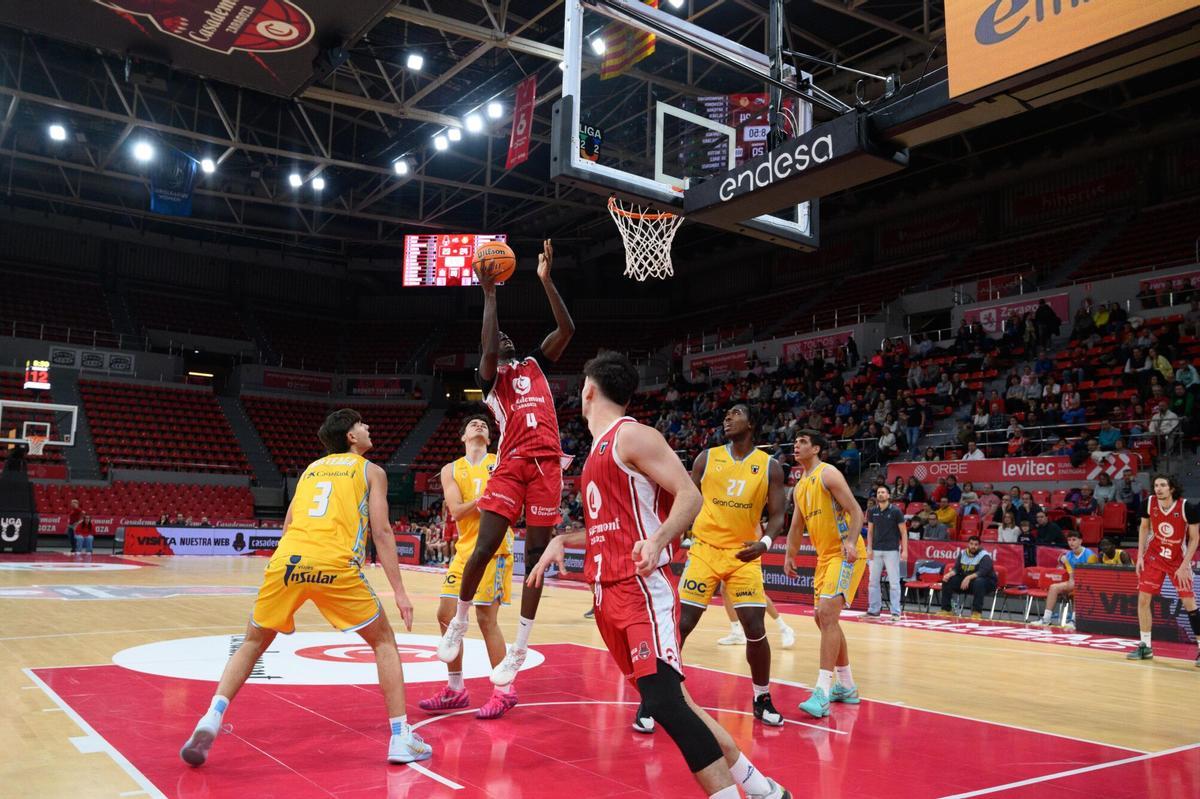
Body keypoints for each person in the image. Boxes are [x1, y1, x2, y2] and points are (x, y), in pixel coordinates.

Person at [526, 352, 790, 799]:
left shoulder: (633, 436)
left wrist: (658, 539)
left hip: (641, 590)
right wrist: (561, 542)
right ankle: (763, 789)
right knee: (676, 703)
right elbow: (605, 525)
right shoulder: (600, 449)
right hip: (608, 594)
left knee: (663, 701)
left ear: (589, 390)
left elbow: (690, 496)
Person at [179, 409, 429, 766]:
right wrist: (400, 592)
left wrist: (288, 573)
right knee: (384, 641)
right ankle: (401, 736)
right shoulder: (371, 471)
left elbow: (289, 525)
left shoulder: (310, 471)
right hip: (334, 563)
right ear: (350, 437)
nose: (368, 426)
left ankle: (211, 716)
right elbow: (383, 532)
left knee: (252, 642)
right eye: (361, 424)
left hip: (287, 562)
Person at [439, 240, 575, 686]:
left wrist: (546, 280)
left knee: (535, 555)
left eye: (504, 336)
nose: (501, 339)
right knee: (485, 544)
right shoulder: (491, 380)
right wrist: (490, 293)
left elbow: (567, 329)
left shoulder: (536, 364)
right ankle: (459, 622)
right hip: (513, 462)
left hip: (548, 464)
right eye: (494, 340)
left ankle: (519, 648)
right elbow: (488, 343)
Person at [639, 404, 787, 732]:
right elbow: (684, 499)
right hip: (704, 550)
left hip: (743, 554)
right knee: (682, 623)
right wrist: (665, 538)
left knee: (753, 625)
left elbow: (778, 514)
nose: (727, 417)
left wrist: (765, 543)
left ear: (752, 424)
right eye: (727, 414)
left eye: (735, 413)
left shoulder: (770, 468)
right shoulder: (706, 458)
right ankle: (652, 698)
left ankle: (762, 698)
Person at [420, 415, 518, 719]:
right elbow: (458, 512)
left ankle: (505, 692)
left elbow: (512, 503)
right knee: (445, 615)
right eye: (473, 424)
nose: (479, 426)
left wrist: (485, 500)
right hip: (464, 552)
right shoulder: (450, 469)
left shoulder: (500, 461)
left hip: (494, 549)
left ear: (489, 439)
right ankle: (456, 688)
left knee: (486, 618)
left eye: (484, 425)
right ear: (463, 436)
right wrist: (487, 497)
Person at [786, 429, 867, 719]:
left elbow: (857, 511)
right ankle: (846, 685)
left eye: (803, 442)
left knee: (828, 614)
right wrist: (789, 554)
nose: (796, 446)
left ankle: (822, 691)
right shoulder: (799, 486)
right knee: (822, 617)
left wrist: (850, 541)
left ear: (817, 448)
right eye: (795, 442)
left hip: (846, 554)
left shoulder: (828, 474)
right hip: (825, 557)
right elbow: (796, 526)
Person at [1126, 475, 1200, 665]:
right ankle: (1145, 646)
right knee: (1143, 600)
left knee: (1189, 604)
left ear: (1171, 489)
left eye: (1163, 485)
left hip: (1178, 560)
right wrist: (1140, 556)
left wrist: (1185, 565)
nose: (1158, 489)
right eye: (1156, 485)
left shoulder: (1187, 507)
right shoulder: (1148, 503)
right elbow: (1144, 528)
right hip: (1153, 557)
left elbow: (1194, 539)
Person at [1033, 531, 1097, 629]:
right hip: (1074, 581)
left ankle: (1074, 620)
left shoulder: (1090, 555)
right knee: (1053, 587)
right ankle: (1046, 619)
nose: (1071, 542)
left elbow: (1092, 575)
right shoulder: (1068, 555)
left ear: (1080, 541)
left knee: (1078, 587)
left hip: (1089, 583)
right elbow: (1070, 571)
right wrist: (1071, 578)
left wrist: (1075, 581)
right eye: (1069, 540)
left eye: (1074, 540)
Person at [866, 486, 908, 619]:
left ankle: (895, 612)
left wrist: (905, 550)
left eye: (883, 492)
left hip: (891, 550)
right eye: (878, 492)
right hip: (876, 550)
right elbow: (870, 532)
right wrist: (869, 548)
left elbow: (903, 532)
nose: (880, 494)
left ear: (888, 495)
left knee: (894, 582)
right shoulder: (872, 511)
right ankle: (874, 610)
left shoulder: (896, 511)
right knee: (873, 581)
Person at [938, 536, 996, 619]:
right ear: (968, 544)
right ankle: (946, 610)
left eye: (976, 544)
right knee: (948, 580)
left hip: (987, 582)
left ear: (979, 546)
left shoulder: (985, 556)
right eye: (971, 544)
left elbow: (982, 572)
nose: (973, 546)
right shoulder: (963, 554)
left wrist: (968, 578)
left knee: (979, 582)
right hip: (970, 582)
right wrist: (949, 574)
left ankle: (976, 612)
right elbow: (956, 569)